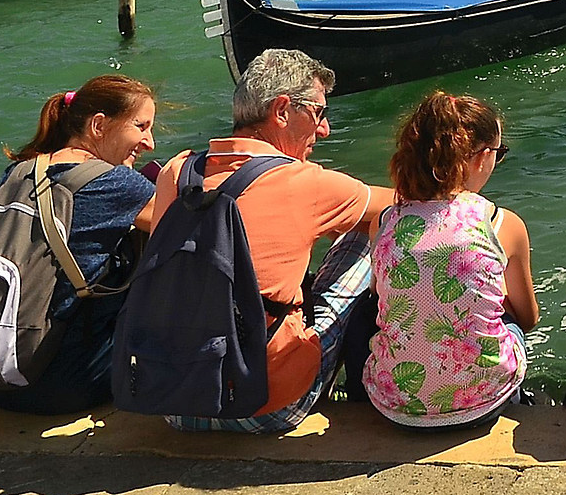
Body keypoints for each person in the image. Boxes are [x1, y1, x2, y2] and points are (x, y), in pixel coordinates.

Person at [144, 47, 396, 433]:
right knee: (364, 238)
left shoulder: (178, 171)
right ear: (281, 110)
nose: (324, 129)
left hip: (174, 402)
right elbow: (403, 204)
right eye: (317, 113)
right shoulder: (306, 182)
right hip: (262, 407)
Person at [0, 77, 160, 416]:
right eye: (140, 127)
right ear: (98, 125)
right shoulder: (116, 182)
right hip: (61, 386)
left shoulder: (18, 172)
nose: (150, 143)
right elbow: (199, 226)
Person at [358, 93, 539, 430]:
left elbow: (381, 302)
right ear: (481, 157)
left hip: (396, 407)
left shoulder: (383, 222)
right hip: (481, 404)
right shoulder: (501, 223)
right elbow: (528, 319)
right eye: (498, 154)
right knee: (508, 319)